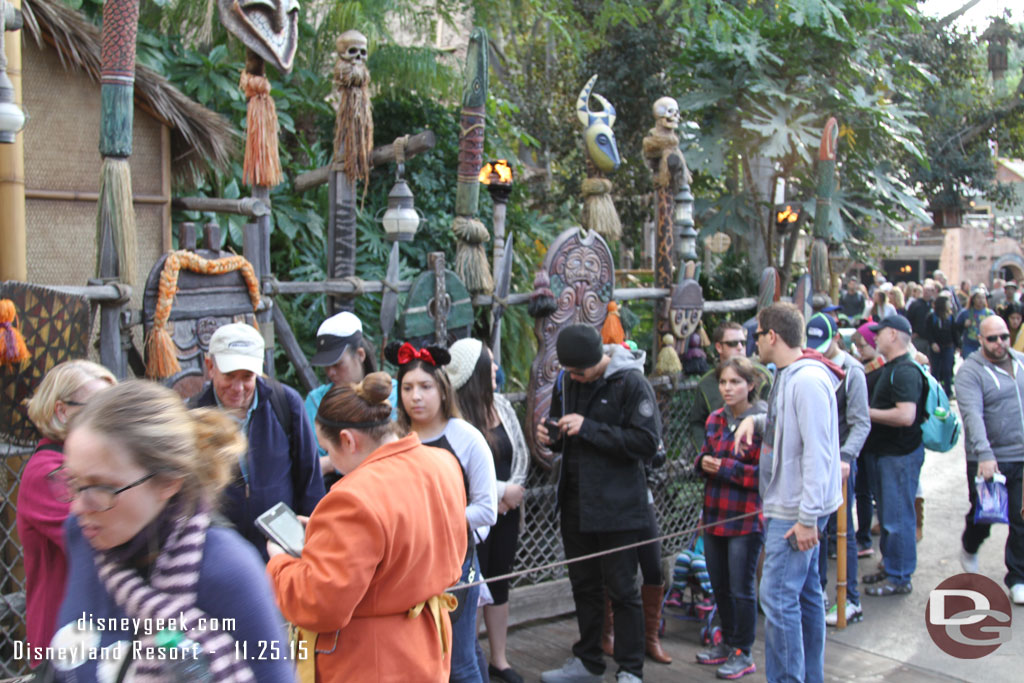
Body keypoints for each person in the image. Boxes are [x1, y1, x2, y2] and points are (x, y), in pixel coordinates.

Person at [50, 380, 294, 681]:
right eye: (73, 482)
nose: (77, 507)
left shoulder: (227, 570)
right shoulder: (83, 536)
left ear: (168, 482)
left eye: (102, 487)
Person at [268, 372, 469, 681]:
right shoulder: (444, 463)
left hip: (371, 660)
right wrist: (327, 535)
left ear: (348, 440)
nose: (331, 463)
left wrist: (279, 562)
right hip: (426, 644)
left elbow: (320, 602)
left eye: (327, 449)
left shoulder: (353, 497)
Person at [536, 324, 660, 683]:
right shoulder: (566, 379)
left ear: (600, 359)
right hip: (575, 501)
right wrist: (553, 435)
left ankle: (630, 669)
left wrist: (589, 427)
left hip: (619, 506)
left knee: (623, 589)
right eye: (571, 371)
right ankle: (588, 662)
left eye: (582, 371)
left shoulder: (632, 383)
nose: (577, 377)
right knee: (584, 586)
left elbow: (647, 443)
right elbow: (566, 433)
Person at [734, 302, 843, 683]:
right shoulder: (790, 374)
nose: (755, 342)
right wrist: (756, 421)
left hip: (797, 510)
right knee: (806, 595)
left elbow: (819, 451)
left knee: (777, 599)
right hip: (795, 505)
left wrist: (807, 518)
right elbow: (788, 425)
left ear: (773, 336)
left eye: (758, 335)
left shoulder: (807, 380)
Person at [388, 341, 498, 683]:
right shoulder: (394, 439)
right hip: (407, 565)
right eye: (407, 388)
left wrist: (433, 519)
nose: (415, 397)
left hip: (456, 562)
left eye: (425, 387)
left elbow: (487, 510)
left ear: (442, 389)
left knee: (459, 659)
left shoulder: (466, 438)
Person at [191, 322, 325, 557]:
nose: (238, 387)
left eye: (247, 376)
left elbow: (309, 478)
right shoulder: (194, 417)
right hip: (222, 551)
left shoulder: (285, 403)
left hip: (281, 548)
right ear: (210, 367)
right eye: (229, 376)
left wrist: (315, 540)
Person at [17, 360, 115, 663]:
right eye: (98, 407)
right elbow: (103, 540)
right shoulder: (46, 473)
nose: (110, 418)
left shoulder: (88, 465)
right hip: (62, 639)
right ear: (62, 411)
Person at [446, 338, 529, 683]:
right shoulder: (455, 419)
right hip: (473, 519)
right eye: (489, 364)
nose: (496, 369)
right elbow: (459, 473)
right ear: (474, 372)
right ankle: (472, 653)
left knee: (500, 583)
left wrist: (514, 492)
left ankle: (499, 658)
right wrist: (498, 494)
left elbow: (519, 452)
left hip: (507, 514)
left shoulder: (503, 407)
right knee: (473, 589)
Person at [694, 357, 766, 680]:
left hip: (746, 518)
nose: (727, 388)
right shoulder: (714, 419)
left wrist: (724, 468)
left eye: (735, 382)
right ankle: (725, 642)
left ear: (750, 385)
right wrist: (702, 463)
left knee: (741, 587)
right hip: (714, 514)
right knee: (720, 585)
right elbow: (706, 455)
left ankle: (743, 650)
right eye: (723, 382)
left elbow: (764, 475)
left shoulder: (762, 421)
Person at [806, 314, 871, 627]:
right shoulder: (809, 364)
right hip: (813, 461)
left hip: (841, 462)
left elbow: (861, 422)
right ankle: (815, 592)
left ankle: (851, 599)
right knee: (815, 529)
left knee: (842, 531)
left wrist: (846, 457)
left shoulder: (852, 371)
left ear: (836, 339)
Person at [954, 316, 1024, 604]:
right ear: (980, 340)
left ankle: (1018, 577)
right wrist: (984, 454)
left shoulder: (1020, 362)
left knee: (1020, 518)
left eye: (1004, 336)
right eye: (992, 339)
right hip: (988, 458)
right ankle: (971, 543)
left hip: (1020, 455)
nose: (1000, 344)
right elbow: (972, 415)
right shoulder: (971, 371)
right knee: (985, 516)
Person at [862, 315, 926, 597]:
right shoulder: (892, 367)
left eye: (879, 332)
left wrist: (864, 413)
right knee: (889, 515)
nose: (874, 337)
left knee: (897, 518)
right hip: (885, 454)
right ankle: (892, 567)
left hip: (898, 455)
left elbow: (905, 415)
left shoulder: (905, 371)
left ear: (893, 335)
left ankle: (900, 576)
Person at [304, 311, 397, 486]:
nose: (331, 372)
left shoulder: (392, 392)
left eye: (338, 364)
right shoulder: (316, 400)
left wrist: (332, 463)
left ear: (360, 355)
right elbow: (312, 460)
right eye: (326, 366)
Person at [692, 322, 772, 446]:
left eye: (743, 343)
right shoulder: (706, 384)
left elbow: (773, 417)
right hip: (719, 452)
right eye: (733, 343)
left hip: (756, 449)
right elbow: (697, 423)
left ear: (750, 384)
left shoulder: (762, 376)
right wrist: (704, 455)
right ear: (719, 347)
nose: (740, 347)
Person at [851, 325, 886, 558]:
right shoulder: (864, 368)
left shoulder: (879, 371)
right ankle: (863, 534)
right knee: (864, 491)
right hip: (866, 441)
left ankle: (864, 539)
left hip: (874, 441)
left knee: (868, 492)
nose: (859, 350)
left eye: (862, 345)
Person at [926, 294, 957, 396]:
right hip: (936, 347)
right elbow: (928, 332)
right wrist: (932, 343)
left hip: (948, 346)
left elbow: (954, 332)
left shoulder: (950, 317)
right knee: (935, 370)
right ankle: (934, 392)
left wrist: (957, 345)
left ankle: (948, 392)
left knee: (947, 369)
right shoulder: (932, 317)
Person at [955, 291, 995, 359]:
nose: (981, 300)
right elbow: (955, 329)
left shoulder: (990, 313)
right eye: (978, 298)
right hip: (969, 345)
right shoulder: (965, 313)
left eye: (983, 298)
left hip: (985, 346)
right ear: (973, 299)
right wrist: (963, 325)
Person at [906, 283, 935, 355]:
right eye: (925, 290)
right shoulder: (916, 304)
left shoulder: (935, 304)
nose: (926, 293)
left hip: (932, 339)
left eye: (929, 291)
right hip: (919, 338)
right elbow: (909, 319)